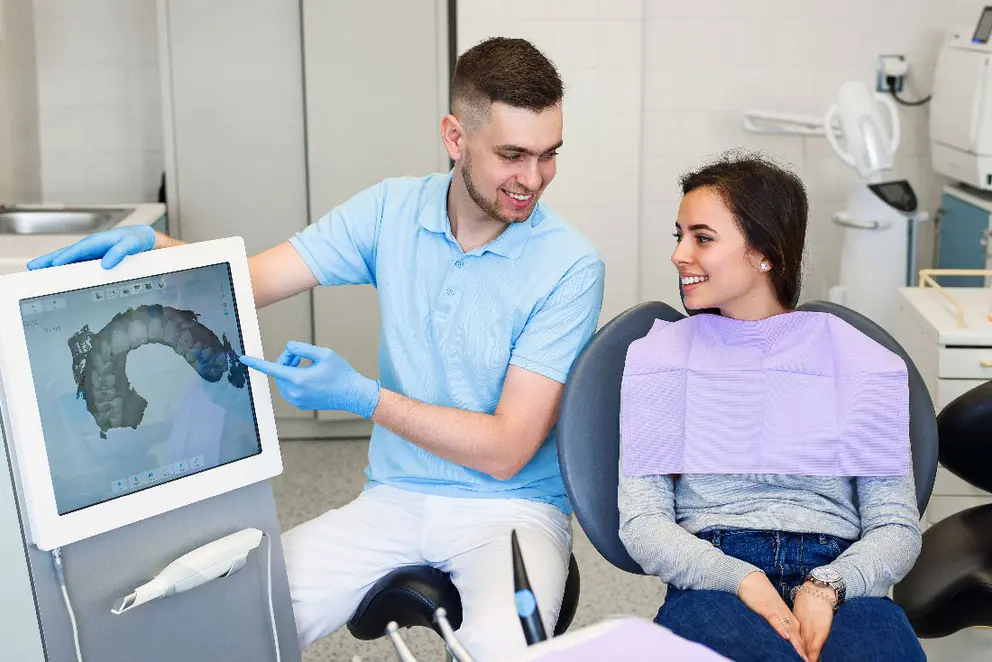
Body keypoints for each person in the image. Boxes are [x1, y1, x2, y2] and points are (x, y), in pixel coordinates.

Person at [28, 37, 605, 660]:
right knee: (233, 626)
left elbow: (505, 450)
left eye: (549, 156)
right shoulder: (390, 211)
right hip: (395, 499)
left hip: (511, 512)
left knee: (497, 650)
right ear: (455, 136)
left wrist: (360, 397)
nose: (533, 179)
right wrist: (156, 251)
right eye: (512, 155)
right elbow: (249, 282)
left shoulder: (569, 266)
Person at [617, 152, 925, 662]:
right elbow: (643, 522)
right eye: (679, 236)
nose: (679, 254)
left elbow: (895, 526)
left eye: (703, 237)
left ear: (764, 252)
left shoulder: (862, 362)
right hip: (712, 580)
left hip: (840, 576)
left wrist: (828, 587)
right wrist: (740, 578)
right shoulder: (660, 357)